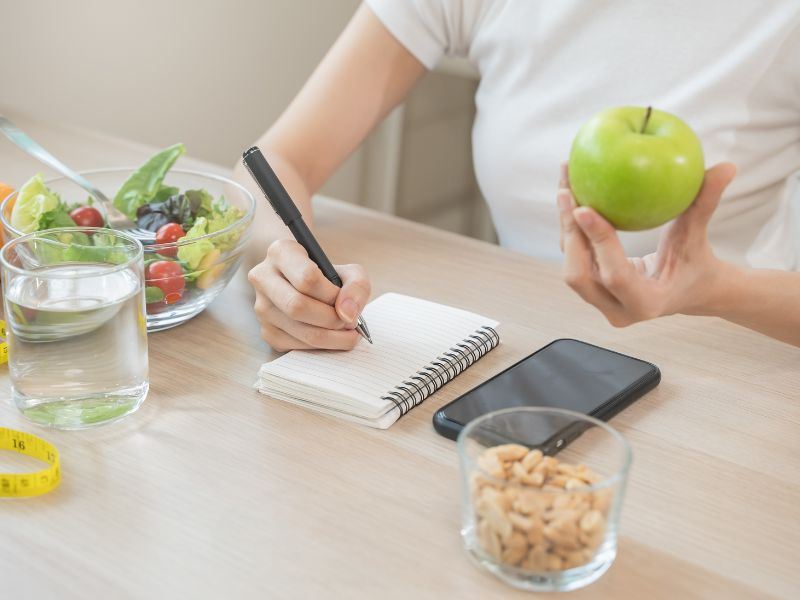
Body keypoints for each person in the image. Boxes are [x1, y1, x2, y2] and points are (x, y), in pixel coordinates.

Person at [236, 1, 800, 350]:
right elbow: (279, 160)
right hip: (527, 346)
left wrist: (722, 291)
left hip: (732, 365)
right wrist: (288, 266)